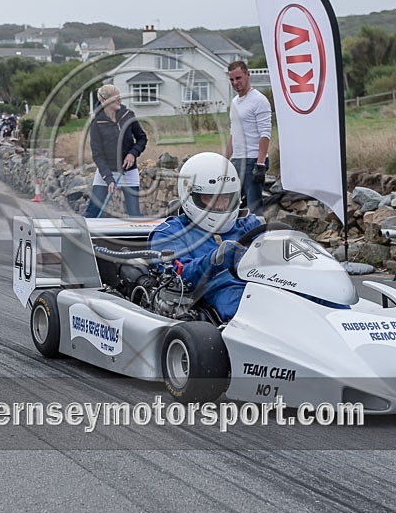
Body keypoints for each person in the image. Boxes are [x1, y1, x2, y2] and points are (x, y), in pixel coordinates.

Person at [149, 152, 262, 322]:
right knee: (253, 313)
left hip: (266, 285)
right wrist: (215, 260)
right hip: (223, 295)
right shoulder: (169, 233)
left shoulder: (247, 224)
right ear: (189, 195)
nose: (221, 205)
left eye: (225, 198)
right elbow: (177, 276)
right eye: (211, 198)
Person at [84, 84, 147, 218]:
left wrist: (132, 153)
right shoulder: (96, 123)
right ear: (105, 101)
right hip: (106, 171)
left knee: (134, 214)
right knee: (93, 211)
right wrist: (108, 178)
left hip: (129, 171)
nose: (120, 100)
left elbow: (142, 139)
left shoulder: (128, 115)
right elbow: (97, 154)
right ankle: (86, 237)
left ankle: (137, 238)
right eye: (116, 97)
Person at [225, 60, 273, 216]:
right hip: (237, 160)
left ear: (247, 74)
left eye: (238, 78)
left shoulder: (259, 100)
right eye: (232, 79)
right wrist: (225, 159)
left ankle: (258, 238)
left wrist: (260, 164)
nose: (235, 82)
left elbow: (265, 133)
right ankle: (239, 238)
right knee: (232, 207)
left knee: (254, 209)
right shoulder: (234, 103)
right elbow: (233, 133)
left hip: (253, 159)